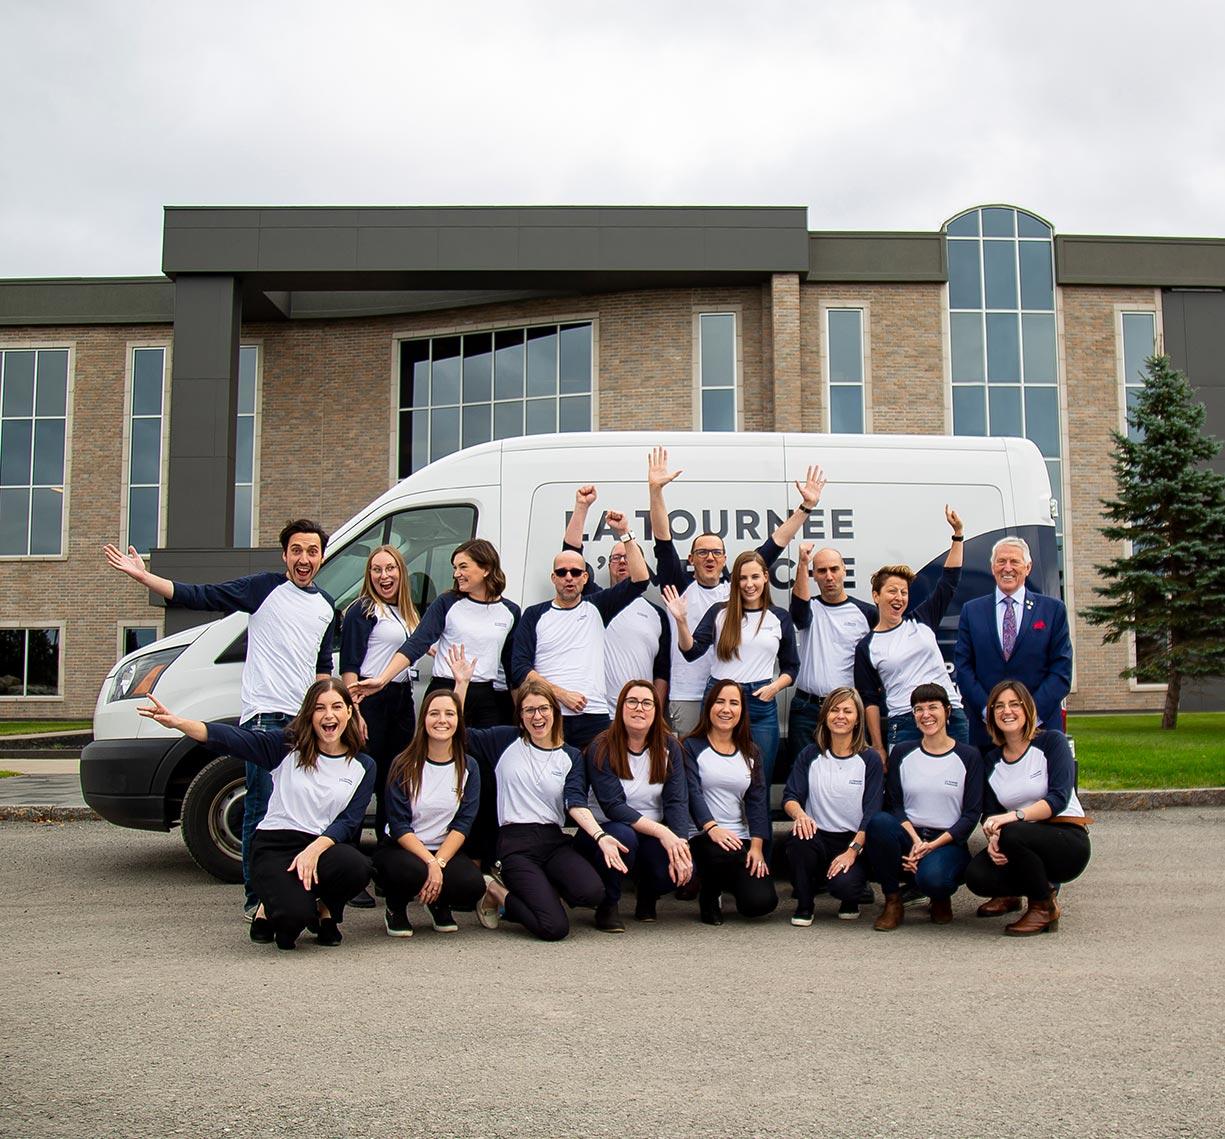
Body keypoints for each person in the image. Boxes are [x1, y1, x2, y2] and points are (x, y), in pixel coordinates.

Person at [105, 519, 339, 920]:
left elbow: (321, 668)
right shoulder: (264, 589)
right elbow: (201, 595)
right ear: (285, 555)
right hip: (265, 720)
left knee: (303, 810)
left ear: (321, 557)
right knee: (261, 808)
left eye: (312, 551)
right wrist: (146, 578)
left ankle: (297, 891)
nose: (304, 558)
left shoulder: (326, 606)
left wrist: (327, 715)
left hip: (304, 726)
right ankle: (257, 898)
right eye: (296, 550)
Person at [137, 680, 373, 950]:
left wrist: (313, 851)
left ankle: (325, 909)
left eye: (336, 707)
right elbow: (235, 740)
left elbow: (349, 821)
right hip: (276, 846)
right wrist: (179, 723)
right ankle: (267, 908)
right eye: (319, 708)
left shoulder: (363, 765)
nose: (328, 715)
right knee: (291, 926)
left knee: (358, 867)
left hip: (320, 848)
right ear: (309, 714)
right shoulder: (287, 747)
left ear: (349, 713)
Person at [351, 538, 519, 868]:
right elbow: (417, 644)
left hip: (487, 698)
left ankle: (479, 859)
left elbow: (512, 668)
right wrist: (382, 679)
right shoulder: (446, 604)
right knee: (437, 773)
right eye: (454, 567)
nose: (456, 573)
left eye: (463, 567)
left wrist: (521, 714)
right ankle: (424, 855)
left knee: (483, 777)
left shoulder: (510, 612)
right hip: (444, 692)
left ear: (485, 569)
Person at [648, 446, 827, 737]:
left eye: (716, 552)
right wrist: (655, 492)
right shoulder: (679, 586)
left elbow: (777, 541)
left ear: (724, 559)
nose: (709, 557)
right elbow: (662, 538)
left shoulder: (737, 587)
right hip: (690, 693)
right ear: (690, 559)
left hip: (734, 696)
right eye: (702, 552)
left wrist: (806, 508)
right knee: (694, 769)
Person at [452, 653, 628, 941]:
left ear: (554, 712)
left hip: (553, 839)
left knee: (592, 892)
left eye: (543, 709)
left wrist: (600, 836)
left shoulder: (570, 756)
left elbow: (576, 803)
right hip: (515, 843)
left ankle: (536, 890)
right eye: (529, 710)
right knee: (554, 928)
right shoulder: (505, 741)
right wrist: (462, 684)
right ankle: (496, 890)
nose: (537, 716)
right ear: (520, 716)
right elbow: (457, 734)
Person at [510, 510, 650, 750]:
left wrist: (625, 533)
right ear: (553, 577)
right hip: (548, 715)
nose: (569, 577)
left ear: (585, 577)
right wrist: (561, 695)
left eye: (575, 572)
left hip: (593, 715)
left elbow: (640, 580)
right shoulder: (534, 614)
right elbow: (520, 668)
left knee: (596, 782)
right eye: (562, 572)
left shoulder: (597, 606)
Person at [966, 680, 1091, 936]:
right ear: (991, 715)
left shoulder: (1051, 743)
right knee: (977, 874)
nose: (1006, 711)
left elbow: (1058, 800)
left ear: (1028, 709)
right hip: (1019, 840)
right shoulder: (990, 760)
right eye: (998, 706)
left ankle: (1043, 906)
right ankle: (1013, 895)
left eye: (1015, 704)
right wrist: (993, 837)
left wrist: (1014, 818)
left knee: (1014, 832)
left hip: (1065, 838)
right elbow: (990, 813)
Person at [666, 550, 799, 789]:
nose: (749, 584)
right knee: (713, 775)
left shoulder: (779, 617)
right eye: (743, 578)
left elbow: (792, 667)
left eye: (755, 577)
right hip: (720, 700)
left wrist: (775, 687)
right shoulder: (720, 612)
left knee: (759, 779)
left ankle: (758, 827)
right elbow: (691, 651)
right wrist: (682, 621)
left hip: (761, 702)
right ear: (735, 581)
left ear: (766, 577)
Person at [865, 683, 983, 931]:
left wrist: (931, 846)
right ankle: (892, 900)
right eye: (919, 709)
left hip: (947, 841)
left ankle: (940, 896)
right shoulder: (903, 752)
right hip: (911, 836)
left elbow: (971, 815)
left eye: (933, 707)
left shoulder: (969, 756)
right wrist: (916, 842)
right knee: (879, 823)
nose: (926, 714)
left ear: (948, 711)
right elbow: (895, 805)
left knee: (933, 878)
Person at [577, 680, 693, 930]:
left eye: (647, 703)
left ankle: (649, 892)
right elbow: (613, 806)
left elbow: (676, 801)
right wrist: (664, 832)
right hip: (604, 831)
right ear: (621, 708)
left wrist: (680, 842)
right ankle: (608, 903)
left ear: (656, 710)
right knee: (624, 836)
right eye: (632, 702)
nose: (639, 708)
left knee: (676, 867)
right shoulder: (602, 745)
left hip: (649, 830)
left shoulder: (669, 746)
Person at [371, 687, 485, 937]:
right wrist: (431, 863)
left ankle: (437, 902)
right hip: (402, 848)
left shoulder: (469, 766)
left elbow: (463, 824)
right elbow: (399, 826)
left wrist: (439, 861)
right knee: (410, 871)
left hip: (443, 849)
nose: (442, 720)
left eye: (449, 714)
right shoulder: (403, 764)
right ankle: (395, 907)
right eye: (434, 713)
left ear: (458, 720)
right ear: (423, 719)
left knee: (472, 884)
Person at [854, 506, 968, 754]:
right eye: (892, 591)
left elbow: (948, 581)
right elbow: (870, 701)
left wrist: (958, 535)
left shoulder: (922, 619)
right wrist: (878, 746)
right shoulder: (867, 647)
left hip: (949, 716)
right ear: (876, 596)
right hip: (905, 721)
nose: (899, 597)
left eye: (904, 592)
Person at [954, 537, 1073, 750]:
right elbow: (963, 668)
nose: (1007, 568)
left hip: (1040, 728)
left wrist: (1029, 715)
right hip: (987, 733)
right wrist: (989, 712)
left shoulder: (1053, 610)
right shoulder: (972, 611)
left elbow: (1061, 672)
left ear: (1027, 568)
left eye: (1014, 562)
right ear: (992, 568)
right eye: (1001, 561)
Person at [340, 544, 421, 854]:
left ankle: (387, 858)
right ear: (369, 574)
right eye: (377, 569)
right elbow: (349, 665)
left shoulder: (406, 612)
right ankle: (349, 860)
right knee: (362, 779)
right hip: (370, 701)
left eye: (390, 569)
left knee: (395, 781)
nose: (384, 575)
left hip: (401, 701)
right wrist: (355, 712)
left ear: (401, 573)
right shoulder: (363, 610)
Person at [563, 485, 671, 710]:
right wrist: (581, 507)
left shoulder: (657, 613)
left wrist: (657, 713)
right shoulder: (594, 600)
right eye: (616, 558)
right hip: (598, 711)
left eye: (628, 557)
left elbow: (662, 671)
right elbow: (571, 555)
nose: (622, 562)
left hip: (639, 713)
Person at [782, 687, 883, 924]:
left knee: (845, 887)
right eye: (834, 710)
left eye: (847, 711)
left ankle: (851, 899)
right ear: (825, 716)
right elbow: (790, 796)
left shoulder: (869, 759)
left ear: (858, 719)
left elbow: (873, 811)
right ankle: (805, 904)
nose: (840, 716)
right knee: (798, 840)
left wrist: (852, 852)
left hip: (851, 840)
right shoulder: (810, 754)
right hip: (817, 836)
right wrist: (800, 816)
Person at [682, 679, 778, 925]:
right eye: (720, 702)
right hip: (703, 835)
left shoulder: (751, 751)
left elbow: (757, 802)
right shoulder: (691, 746)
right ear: (709, 706)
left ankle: (730, 884)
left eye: (734, 703)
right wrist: (712, 827)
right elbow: (692, 793)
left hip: (739, 839)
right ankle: (710, 895)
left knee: (761, 903)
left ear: (742, 711)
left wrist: (756, 848)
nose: (726, 709)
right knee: (721, 852)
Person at [787, 542, 877, 769]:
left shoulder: (866, 613)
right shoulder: (809, 609)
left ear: (844, 570)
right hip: (807, 709)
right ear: (813, 576)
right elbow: (798, 612)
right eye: (821, 571)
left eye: (834, 569)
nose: (829, 576)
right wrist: (803, 563)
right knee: (804, 776)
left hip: (846, 710)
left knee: (847, 773)